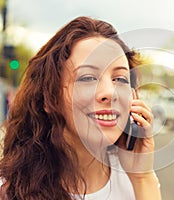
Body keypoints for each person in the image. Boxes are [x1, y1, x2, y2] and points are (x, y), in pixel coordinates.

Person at [0, 16, 161, 200]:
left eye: (120, 79)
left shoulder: (138, 183)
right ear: (49, 98)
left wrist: (142, 177)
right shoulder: (9, 191)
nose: (110, 92)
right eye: (88, 78)